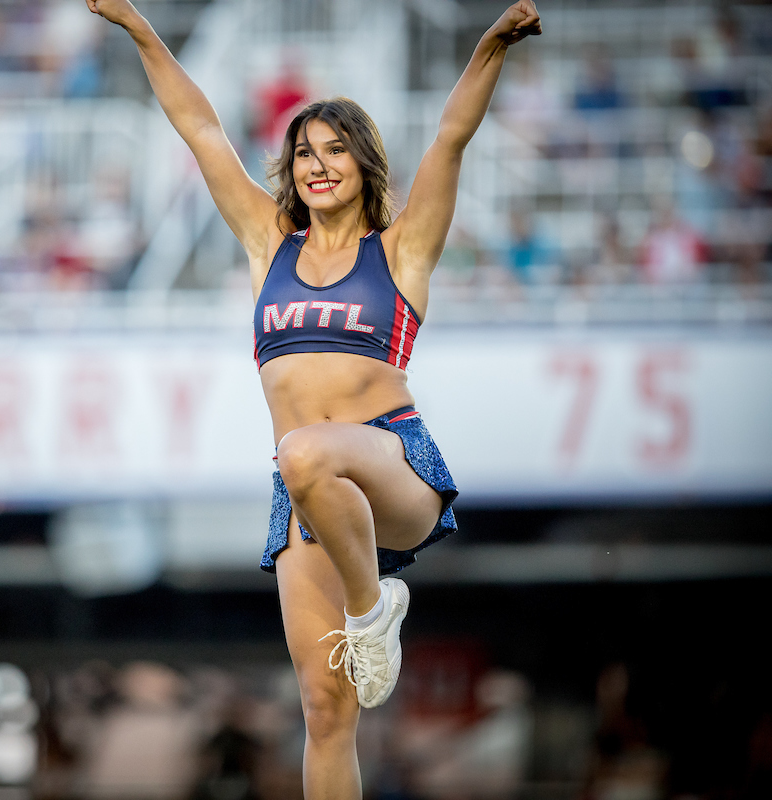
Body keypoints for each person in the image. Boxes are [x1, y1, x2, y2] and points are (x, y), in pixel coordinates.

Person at [83, 1, 541, 796]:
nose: (317, 165)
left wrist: (492, 46)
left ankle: (373, 611)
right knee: (326, 709)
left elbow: (452, 137)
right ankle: (369, 621)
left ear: (364, 162)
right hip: (307, 501)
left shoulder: (401, 251)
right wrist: (139, 28)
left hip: (391, 467)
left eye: (335, 150)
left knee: (302, 451)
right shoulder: (270, 248)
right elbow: (200, 130)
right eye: (303, 153)